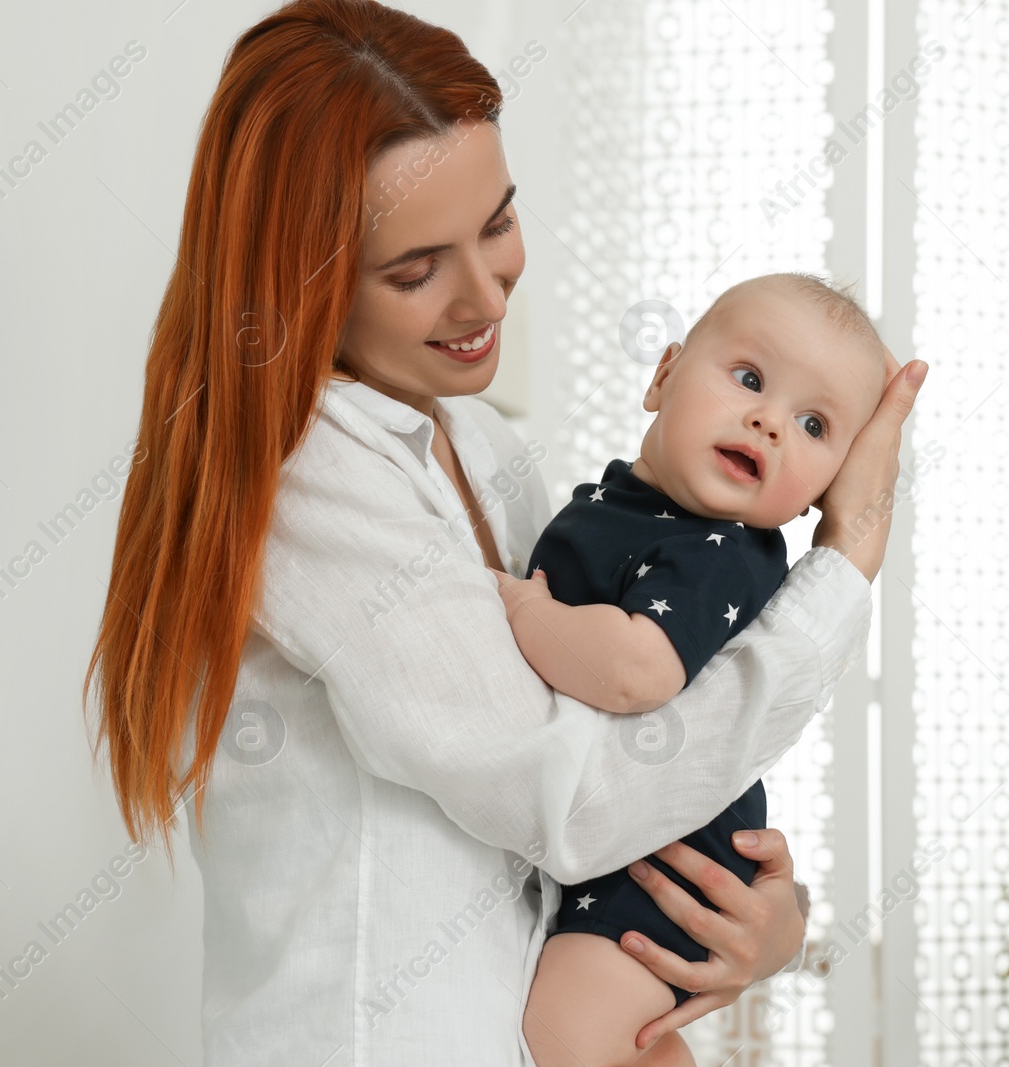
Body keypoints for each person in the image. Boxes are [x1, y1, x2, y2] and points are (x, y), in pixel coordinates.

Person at [82, 2, 928, 1065]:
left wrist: (764, 915)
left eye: (497, 222)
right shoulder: (308, 479)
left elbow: (617, 747)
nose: (484, 293)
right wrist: (843, 563)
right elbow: (571, 800)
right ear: (299, 280)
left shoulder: (481, 446)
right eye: (413, 269)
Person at [496, 273, 893, 1067]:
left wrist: (524, 612)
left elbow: (637, 671)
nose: (768, 420)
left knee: (569, 1036)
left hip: (669, 863)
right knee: (619, 1042)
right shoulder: (628, 508)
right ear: (662, 374)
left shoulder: (719, 552)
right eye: (749, 378)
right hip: (627, 851)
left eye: (813, 425)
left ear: (823, 490)